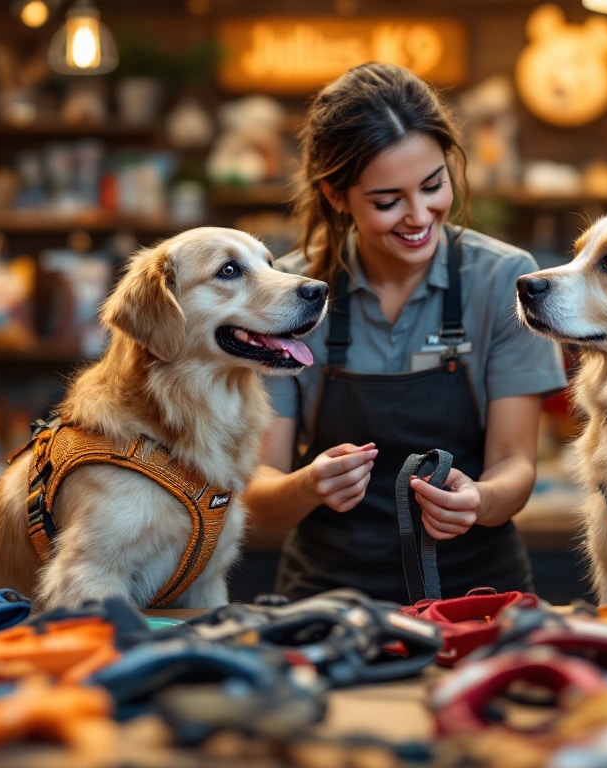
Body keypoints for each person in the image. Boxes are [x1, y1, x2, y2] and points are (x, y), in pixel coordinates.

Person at [243, 62, 568, 605]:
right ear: (336, 195)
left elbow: (516, 463)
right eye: (388, 200)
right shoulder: (290, 298)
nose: (419, 216)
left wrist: (479, 500)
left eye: (433, 185)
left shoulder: (499, 280)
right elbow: (259, 490)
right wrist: (309, 485)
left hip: (476, 601)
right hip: (328, 606)